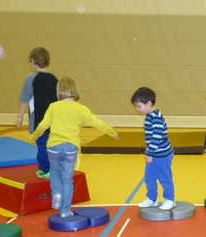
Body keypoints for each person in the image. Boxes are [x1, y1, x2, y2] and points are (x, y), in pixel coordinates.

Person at [31, 77, 118, 217]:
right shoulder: (81, 109)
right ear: (75, 90)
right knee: (67, 179)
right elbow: (97, 122)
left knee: (55, 174)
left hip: (53, 147)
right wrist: (112, 132)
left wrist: (33, 136)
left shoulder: (53, 106)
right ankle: (65, 210)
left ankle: (56, 197)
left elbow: (42, 125)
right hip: (70, 149)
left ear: (58, 90)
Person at [131, 87, 176, 210]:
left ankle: (170, 199)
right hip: (154, 153)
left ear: (149, 104)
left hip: (162, 155)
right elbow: (150, 137)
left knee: (165, 178)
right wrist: (149, 150)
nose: (137, 109)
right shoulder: (149, 116)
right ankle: (152, 199)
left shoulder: (156, 117)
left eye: (139, 106)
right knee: (149, 178)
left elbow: (157, 137)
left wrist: (150, 153)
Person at [18, 47, 58, 179]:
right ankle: (54, 167)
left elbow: (25, 99)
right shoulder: (54, 79)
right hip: (53, 120)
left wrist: (20, 117)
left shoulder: (30, 78)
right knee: (51, 144)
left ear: (32, 61)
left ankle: (46, 170)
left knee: (41, 145)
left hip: (38, 120)